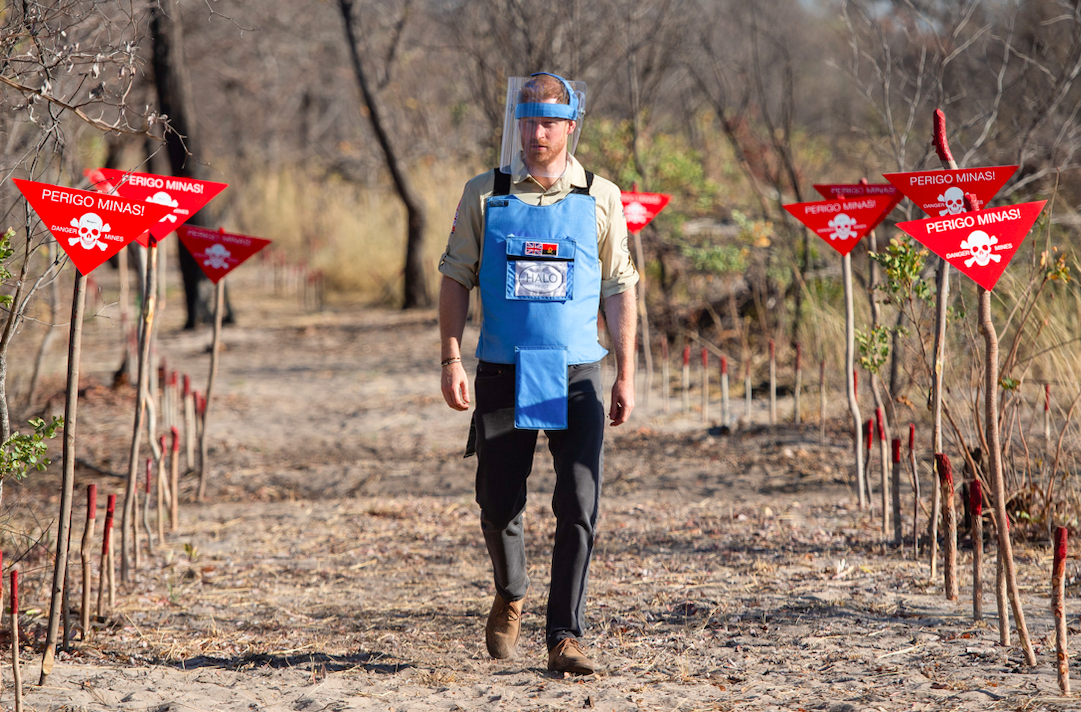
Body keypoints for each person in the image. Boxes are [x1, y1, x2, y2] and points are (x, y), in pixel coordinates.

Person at [438, 72, 638, 675]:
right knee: (499, 504)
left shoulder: (600, 196)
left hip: (577, 372)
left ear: (571, 125)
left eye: (550, 121)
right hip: (504, 369)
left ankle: (564, 636)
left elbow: (620, 287)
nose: (537, 132)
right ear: (515, 123)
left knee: (579, 502)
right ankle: (511, 590)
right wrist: (451, 357)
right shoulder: (485, 193)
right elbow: (454, 278)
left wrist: (625, 372)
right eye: (527, 120)